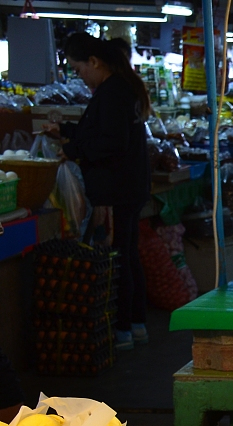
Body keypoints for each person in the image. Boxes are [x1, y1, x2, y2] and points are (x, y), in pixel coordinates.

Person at [45, 33, 151, 351]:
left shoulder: (112, 91)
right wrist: (66, 132)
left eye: (79, 70)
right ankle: (135, 324)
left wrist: (73, 149)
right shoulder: (119, 87)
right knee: (128, 254)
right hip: (128, 186)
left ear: (94, 62)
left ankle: (122, 329)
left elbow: (111, 143)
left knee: (118, 256)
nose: (80, 76)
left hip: (117, 189)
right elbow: (104, 131)